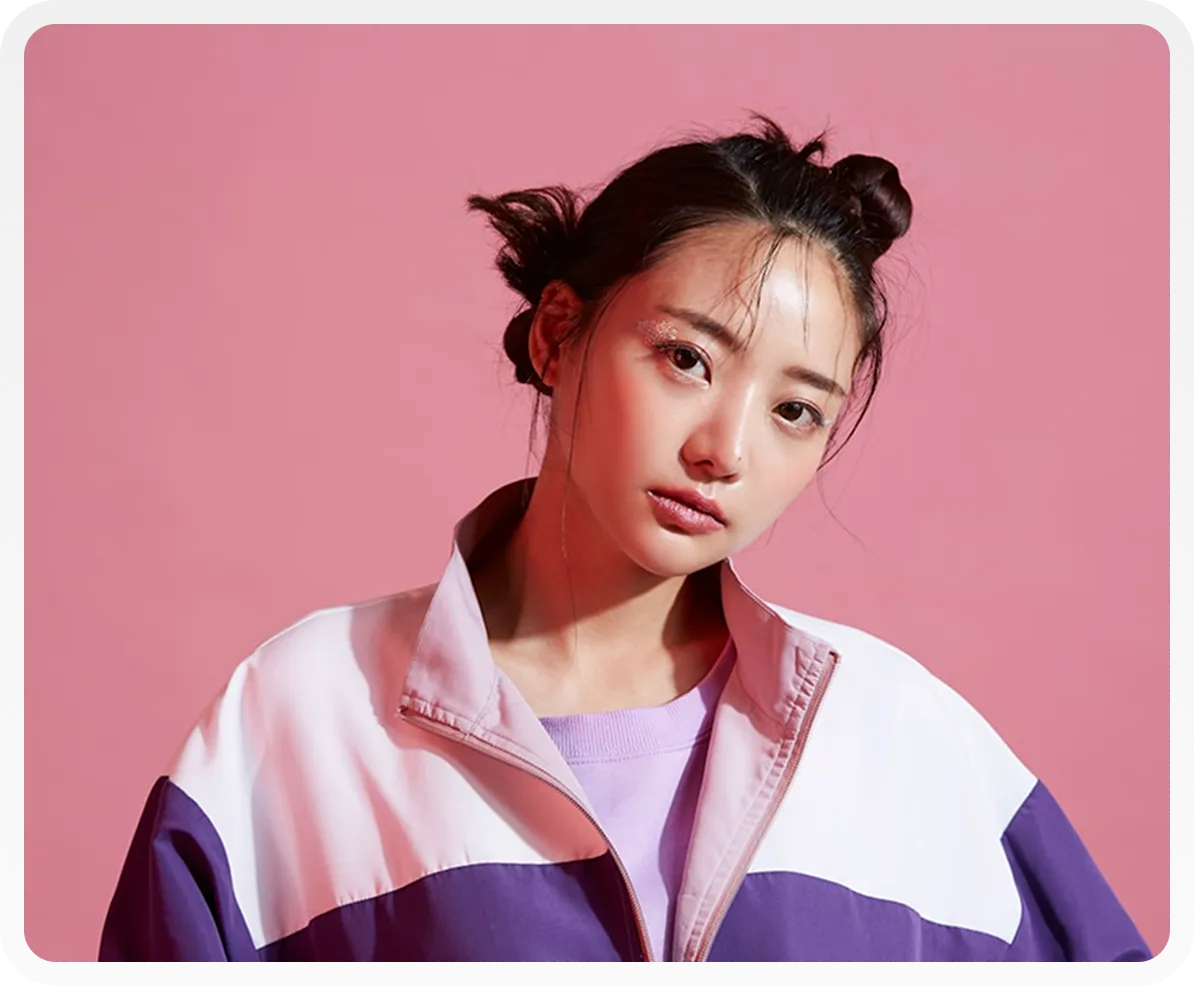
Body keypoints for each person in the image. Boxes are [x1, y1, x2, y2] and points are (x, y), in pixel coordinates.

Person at [97, 114, 1151, 962]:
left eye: (797, 411)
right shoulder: (304, 715)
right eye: (687, 358)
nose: (725, 449)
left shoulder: (908, 739)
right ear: (559, 332)